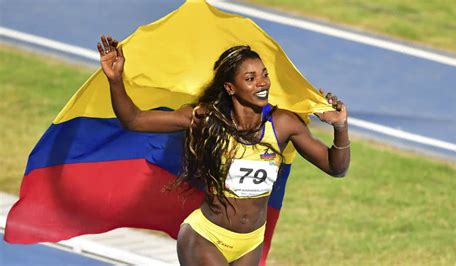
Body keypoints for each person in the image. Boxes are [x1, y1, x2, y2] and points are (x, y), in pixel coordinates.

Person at [97, 34, 350, 265]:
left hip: (250, 243)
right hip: (206, 237)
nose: (262, 83)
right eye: (250, 79)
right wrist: (116, 80)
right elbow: (135, 120)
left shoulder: (284, 124)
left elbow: (336, 168)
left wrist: (340, 126)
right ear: (230, 88)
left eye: (264, 74)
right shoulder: (207, 118)